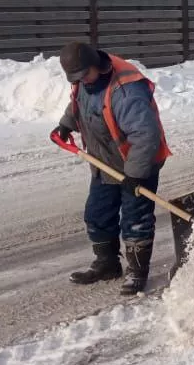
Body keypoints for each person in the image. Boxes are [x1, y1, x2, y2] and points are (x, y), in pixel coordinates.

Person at [53, 42, 171, 296]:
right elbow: (80, 105)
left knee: (135, 219)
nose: (82, 81)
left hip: (140, 162)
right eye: (77, 78)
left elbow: (146, 134)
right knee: (97, 214)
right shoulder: (85, 80)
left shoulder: (126, 89)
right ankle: (107, 264)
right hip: (105, 161)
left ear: (96, 65)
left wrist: (136, 174)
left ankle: (137, 272)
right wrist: (66, 124)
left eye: (85, 75)